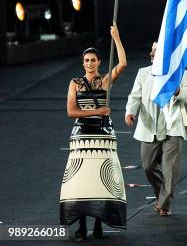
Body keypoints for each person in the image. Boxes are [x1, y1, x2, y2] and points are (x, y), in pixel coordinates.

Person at [59, 24, 127, 241]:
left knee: (100, 180)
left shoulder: (104, 80)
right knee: (80, 180)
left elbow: (123, 63)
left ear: (98, 62)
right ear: (83, 63)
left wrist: (116, 37)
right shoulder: (75, 83)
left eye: (93, 60)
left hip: (102, 135)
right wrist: (98, 110)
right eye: (86, 60)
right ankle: (81, 225)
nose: (90, 63)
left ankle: (99, 222)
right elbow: (71, 111)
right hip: (82, 136)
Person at [125, 42, 187, 216]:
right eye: (152, 51)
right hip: (150, 127)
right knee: (148, 166)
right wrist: (130, 112)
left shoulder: (182, 74)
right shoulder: (143, 73)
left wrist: (179, 90)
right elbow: (134, 96)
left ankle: (164, 204)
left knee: (170, 170)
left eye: (157, 51)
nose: (153, 54)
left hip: (173, 127)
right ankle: (161, 195)